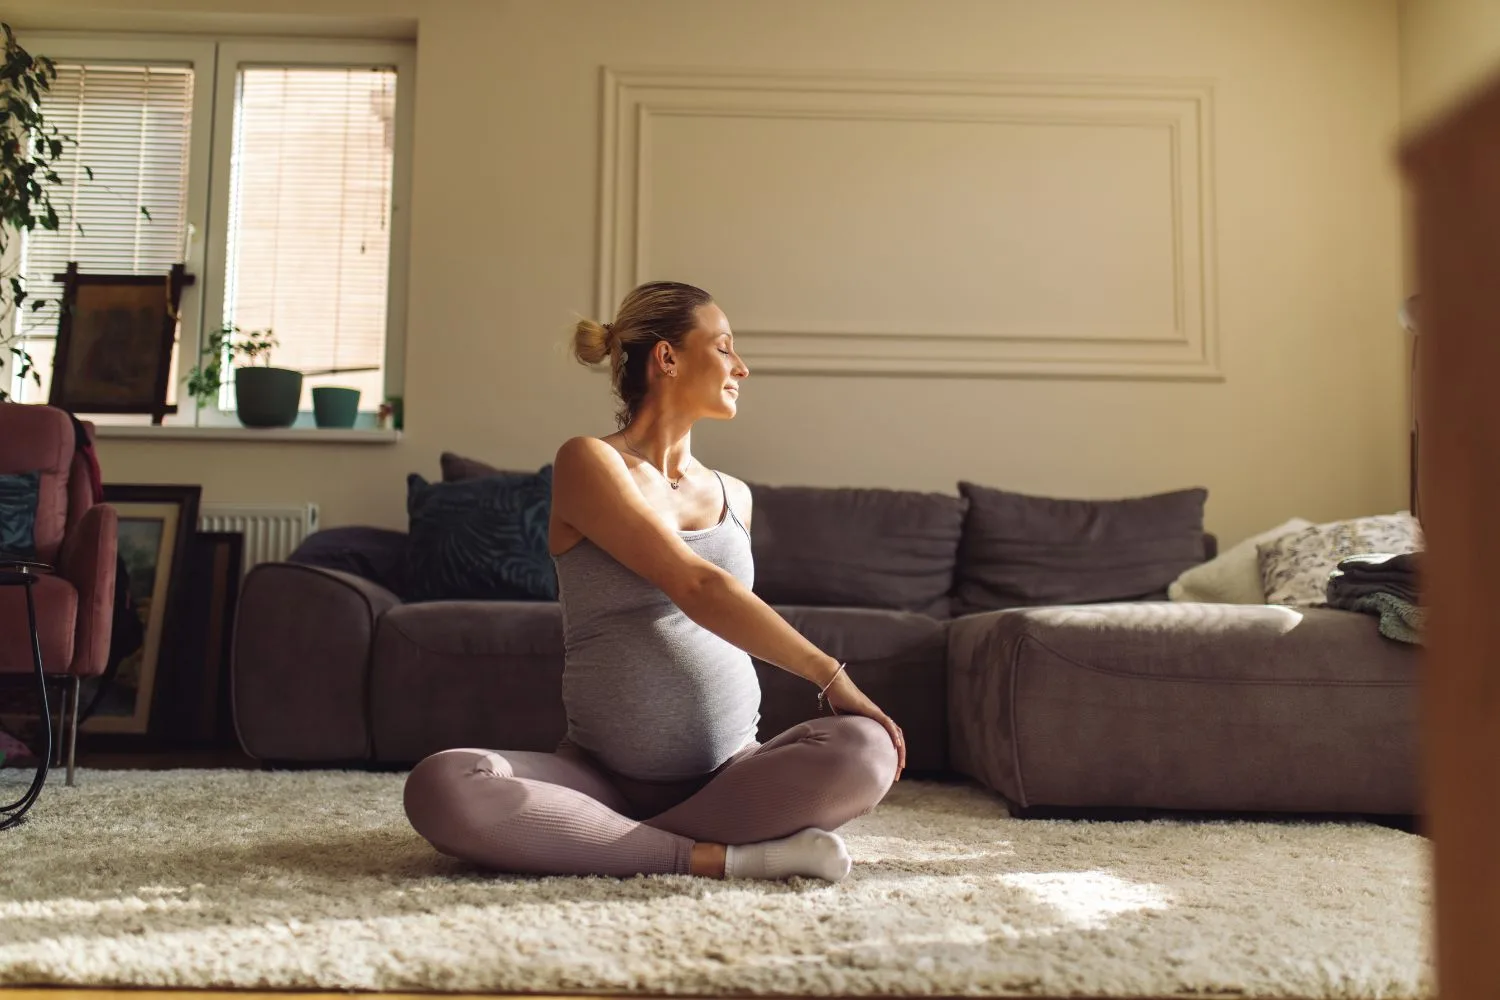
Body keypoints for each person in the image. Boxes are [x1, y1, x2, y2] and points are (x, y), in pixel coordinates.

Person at [403, 280, 904, 881]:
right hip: (597, 779)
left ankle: (598, 841)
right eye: (723, 347)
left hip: (734, 776)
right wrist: (831, 675)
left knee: (866, 751)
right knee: (443, 785)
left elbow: (728, 612)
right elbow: (697, 585)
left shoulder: (735, 496)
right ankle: (717, 855)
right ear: (667, 357)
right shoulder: (589, 461)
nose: (741, 367)